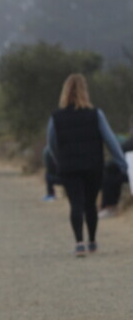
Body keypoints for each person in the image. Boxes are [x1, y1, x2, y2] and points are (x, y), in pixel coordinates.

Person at [46, 73, 127, 257]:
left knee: (75, 203)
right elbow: (110, 140)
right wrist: (122, 164)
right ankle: (92, 241)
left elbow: (51, 144)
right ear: (85, 91)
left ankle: (79, 244)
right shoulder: (95, 114)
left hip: (68, 166)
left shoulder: (56, 117)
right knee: (90, 204)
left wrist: (59, 161)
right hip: (93, 166)